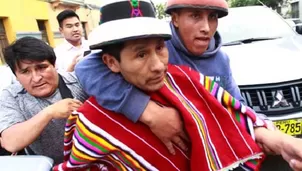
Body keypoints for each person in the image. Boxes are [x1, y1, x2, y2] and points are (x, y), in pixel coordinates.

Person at [55, 1, 302, 170]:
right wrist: (147, 111)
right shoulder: (92, 118)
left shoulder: (190, 80)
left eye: (160, 49)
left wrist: (281, 141)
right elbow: (86, 67)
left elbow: (232, 114)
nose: (158, 66)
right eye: (141, 55)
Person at [0, 37, 88, 164]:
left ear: (54, 64)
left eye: (41, 67)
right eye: (25, 72)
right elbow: (11, 142)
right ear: (16, 76)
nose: (36, 78)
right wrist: (50, 112)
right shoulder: (11, 96)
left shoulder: (80, 82)